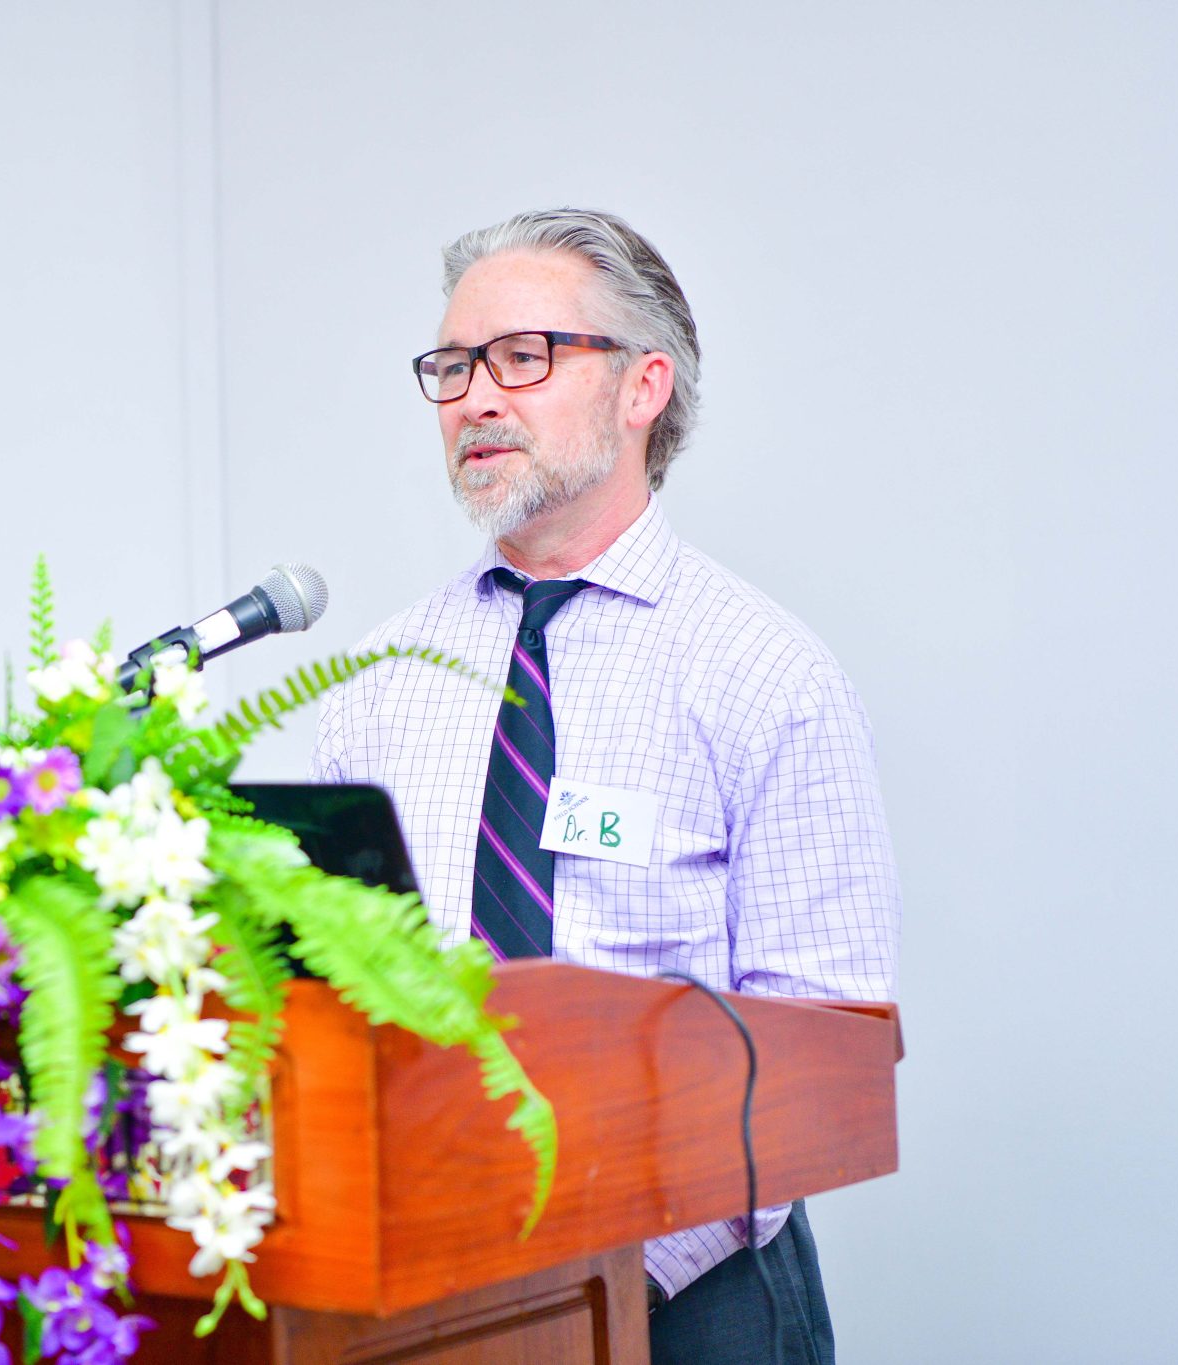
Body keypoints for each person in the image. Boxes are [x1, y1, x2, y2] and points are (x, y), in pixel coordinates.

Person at [309, 208, 900, 1365]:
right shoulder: (374, 684)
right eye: (451, 367)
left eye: (522, 357)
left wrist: (585, 1271)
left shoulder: (764, 675)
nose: (475, 398)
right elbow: (330, 998)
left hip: (694, 1292)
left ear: (641, 387)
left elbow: (820, 1046)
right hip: (428, 1279)